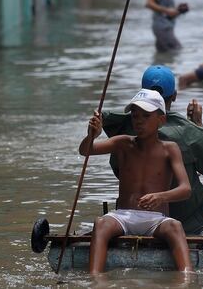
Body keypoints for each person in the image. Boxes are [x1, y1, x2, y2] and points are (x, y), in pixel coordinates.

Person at [99, 66, 203, 235]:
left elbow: (119, 171)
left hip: (131, 217)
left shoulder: (124, 129)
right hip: (184, 221)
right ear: (175, 96)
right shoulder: (187, 131)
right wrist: (199, 127)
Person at [81, 90, 192, 273]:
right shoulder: (123, 143)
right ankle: (95, 278)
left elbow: (185, 189)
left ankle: (187, 277)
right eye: (135, 116)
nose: (139, 121)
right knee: (101, 223)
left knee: (175, 226)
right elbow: (85, 150)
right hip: (123, 216)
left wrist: (161, 197)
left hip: (156, 219)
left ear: (161, 120)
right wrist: (92, 134)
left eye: (146, 116)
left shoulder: (170, 149)